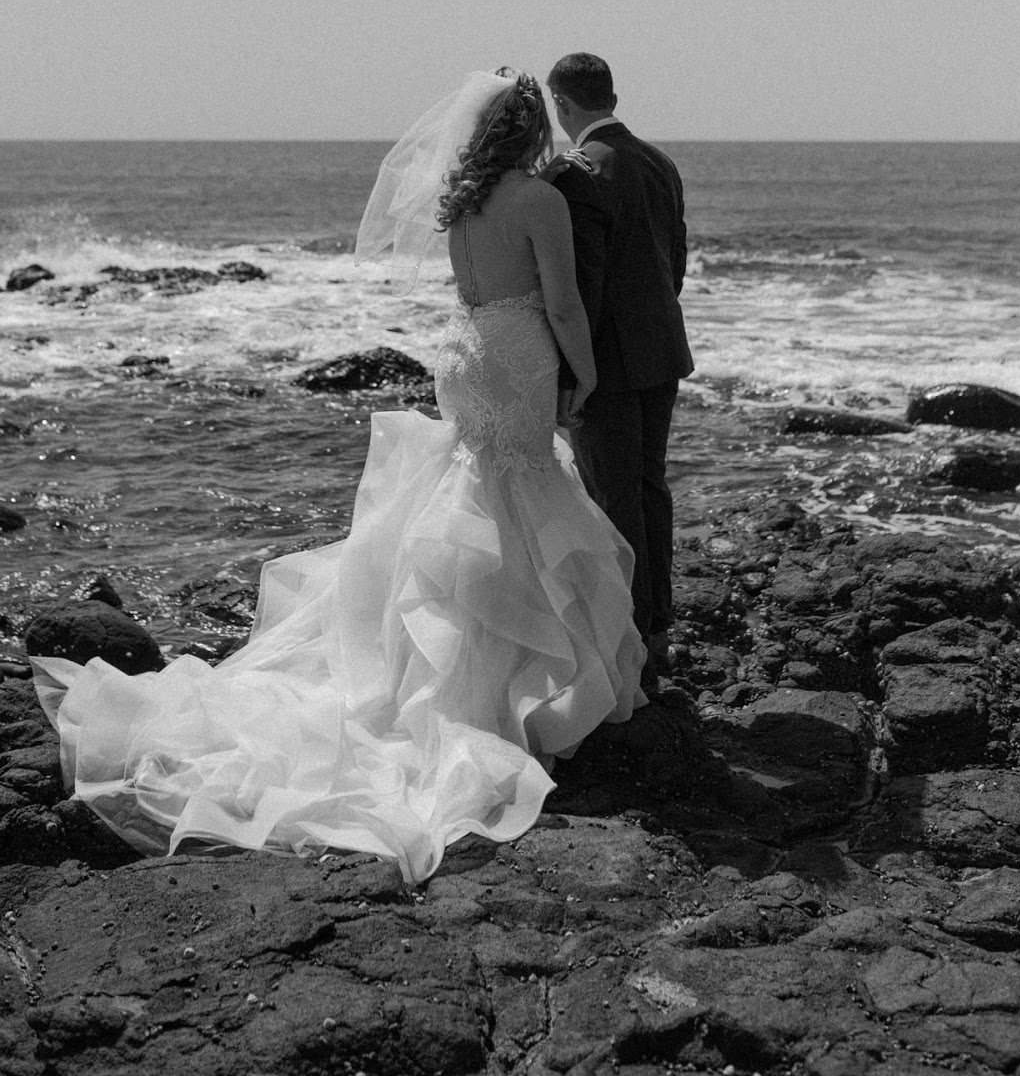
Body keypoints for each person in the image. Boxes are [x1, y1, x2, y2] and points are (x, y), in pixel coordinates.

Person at [32, 70, 645, 884]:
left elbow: (474, 290)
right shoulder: (539, 200)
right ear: (533, 128)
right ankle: (502, 681)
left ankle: (439, 661)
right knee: (519, 490)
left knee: (471, 485)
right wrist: (587, 374)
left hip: (463, 353)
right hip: (518, 355)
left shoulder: (461, 201)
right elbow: (561, 304)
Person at [545, 53, 693, 680]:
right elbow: (675, 261)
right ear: (611, 96)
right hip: (662, 350)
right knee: (650, 487)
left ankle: (629, 641)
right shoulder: (660, 162)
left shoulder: (579, 174)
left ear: (562, 103)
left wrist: (570, 375)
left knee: (612, 497)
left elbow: (582, 288)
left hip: (605, 362)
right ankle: (656, 627)